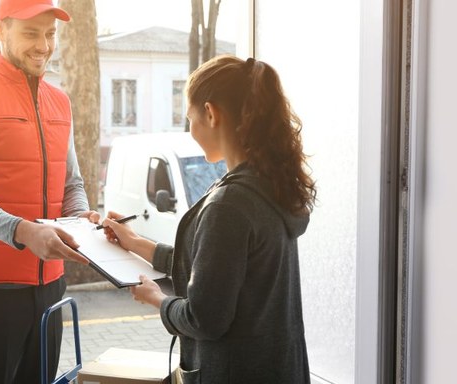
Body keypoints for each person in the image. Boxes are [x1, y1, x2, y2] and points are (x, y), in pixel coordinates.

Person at [102, 55, 317, 383]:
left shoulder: (229, 205)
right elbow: (216, 269)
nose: (190, 130)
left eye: (190, 118)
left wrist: (158, 300)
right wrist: (133, 242)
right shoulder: (270, 187)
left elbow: (205, 319)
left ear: (211, 113)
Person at [0, 0, 99, 382]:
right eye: (30, 33)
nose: (43, 45)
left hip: (49, 289)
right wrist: (26, 232)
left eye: (50, 33)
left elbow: (71, 183)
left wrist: (82, 217)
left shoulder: (59, 101)